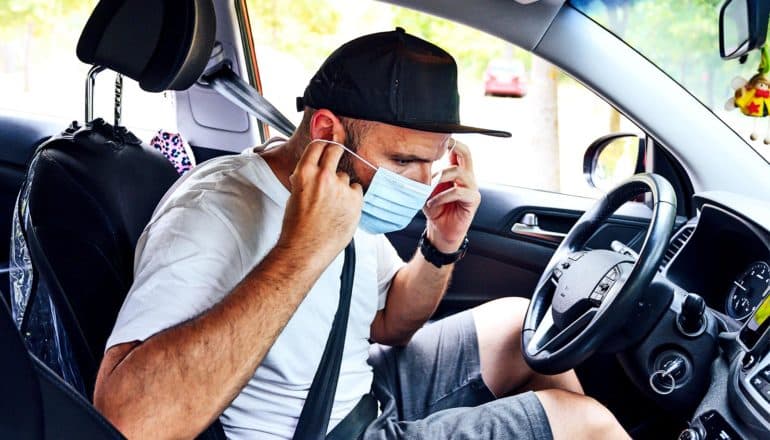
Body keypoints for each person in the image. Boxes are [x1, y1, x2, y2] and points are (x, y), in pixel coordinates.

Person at [93, 28, 629, 439]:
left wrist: (440, 245)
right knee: (583, 424)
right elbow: (127, 420)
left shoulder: (342, 186)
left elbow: (390, 322)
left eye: (432, 161)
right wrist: (301, 250)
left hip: (361, 391)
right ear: (327, 130)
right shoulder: (212, 214)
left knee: (521, 327)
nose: (423, 182)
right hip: (316, 429)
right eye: (404, 160)